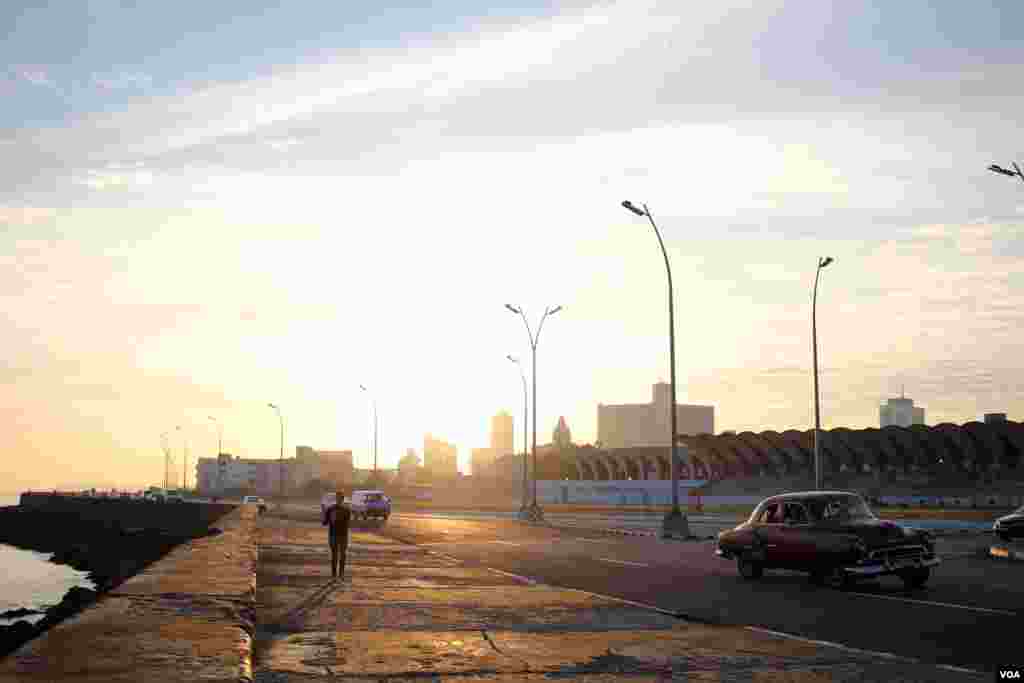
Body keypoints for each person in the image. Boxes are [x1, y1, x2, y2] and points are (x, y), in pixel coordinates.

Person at [322, 489, 352, 579]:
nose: (338, 499)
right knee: (335, 555)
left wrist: (335, 519)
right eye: (337, 498)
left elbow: (347, 523)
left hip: (342, 535)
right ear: (336, 499)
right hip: (334, 535)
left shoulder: (346, 510)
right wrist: (326, 515)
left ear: (342, 499)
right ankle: (334, 574)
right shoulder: (330, 509)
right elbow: (325, 523)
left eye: (340, 498)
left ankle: (341, 574)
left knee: (342, 555)